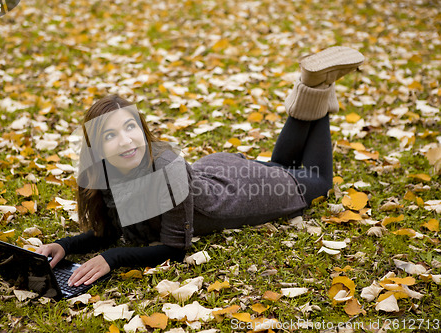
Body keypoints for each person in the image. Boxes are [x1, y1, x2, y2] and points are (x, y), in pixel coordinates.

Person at [36, 46, 365, 287]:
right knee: (281, 165)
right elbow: (111, 230)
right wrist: (65, 246)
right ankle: (313, 83)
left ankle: (317, 85)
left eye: (130, 127)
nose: (125, 141)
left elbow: (176, 248)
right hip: (214, 173)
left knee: (319, 182)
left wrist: (112, 258)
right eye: (111, 134)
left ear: (143, 130)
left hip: (241, 192)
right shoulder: (105, 174)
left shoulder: (167, 171)